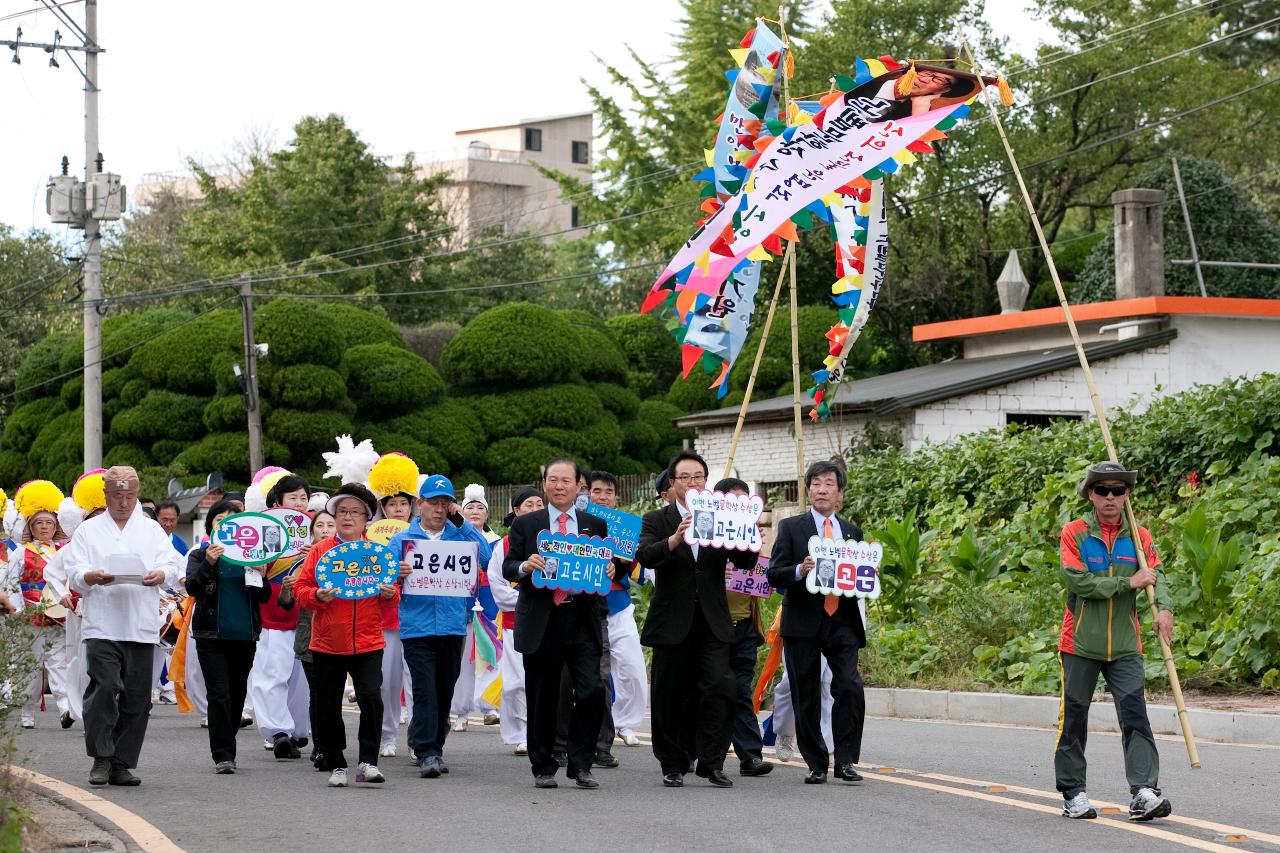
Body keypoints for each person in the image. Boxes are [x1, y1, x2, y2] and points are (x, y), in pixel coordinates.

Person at [1055, 461, 1174, 821]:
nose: (1110, 497)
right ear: (1091, 494)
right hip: (1079, 643)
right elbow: (1078, 582)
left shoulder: (1140, 537)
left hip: (1125, 644)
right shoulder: (1074, 533)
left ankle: (1144, 792)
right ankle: (1073, 793)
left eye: (1118, 490)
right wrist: (1128, 583)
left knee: (1135, 715)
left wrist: (1164, 607)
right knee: (1074, 718)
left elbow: (1157, 574)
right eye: (1102, 490)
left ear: (1127, 496)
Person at [637, 451, 758, 789]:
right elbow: (645, 554)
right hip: (671, 621)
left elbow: (746, 562)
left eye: (699, 477)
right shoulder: (655, 519)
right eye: (685, 477)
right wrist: (675, 539)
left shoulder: (720, 515)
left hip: (712, 619)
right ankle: (673, 763)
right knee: (670, 694)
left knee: (723, 686)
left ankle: (712, 762)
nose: (693, 483)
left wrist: (745, 531)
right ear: (672, 484)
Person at [65, 466, 183, 787]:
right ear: (106, 495)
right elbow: (74, 568)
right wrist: (89, 576)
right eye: (117, 495)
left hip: (141, 625)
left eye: (129, 496)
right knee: (103, 688)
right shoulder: (89, 531)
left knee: (137, 697)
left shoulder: (151, 530)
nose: (123, 502)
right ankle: (101, 758)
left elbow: (171, 564)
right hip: (102, 623)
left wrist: (161, 575)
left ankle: (122, 762)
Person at [502, 459, 614, 790]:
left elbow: (609, 566)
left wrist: (610, 571)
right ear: (544, 483)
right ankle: (543, 765)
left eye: (566, 480)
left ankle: (581, 764)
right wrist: (525, 564)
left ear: (579, 486)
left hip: (582, 620)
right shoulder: (527, 524)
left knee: (592, 690)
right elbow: (508, 567)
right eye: (553, 480)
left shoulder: (594, 524)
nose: (559, 486)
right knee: (543, 696)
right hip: (542, 619)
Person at [766, 460, 866, 785]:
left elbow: (857, 577)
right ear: (808, 490)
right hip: (803, 620)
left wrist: (867, 576)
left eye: (829, 484)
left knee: (849, 686)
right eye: (816, 484)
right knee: (805, 693)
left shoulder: (852, 532)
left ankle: (847, 760)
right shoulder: (791, 528)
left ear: (840, 493)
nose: (822, 489)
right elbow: (774, 573)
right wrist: (800, 569)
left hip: (842, 621)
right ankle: (817, 762)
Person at [294, 483, 399, 788]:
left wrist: (390, 593)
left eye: (355, 512)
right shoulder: (319, 551)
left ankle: (368, 761)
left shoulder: (378, 553)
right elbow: (301, 591)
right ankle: (336, 762)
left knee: (371, 699)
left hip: (368, 639)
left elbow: (391, 598)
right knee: (327, 705)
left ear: (367, 518)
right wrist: (317, 596)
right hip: (327, 640)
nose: (347, 517)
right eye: (342, 512)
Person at [389, 476, 493, 779]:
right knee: (424, 689)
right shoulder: (402, 539)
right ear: (419, 504)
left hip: (452, 624)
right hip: (416, 626)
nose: (438, 509)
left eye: (444, 503)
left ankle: (431, 740)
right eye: (432, 502)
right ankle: (428, 751)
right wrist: (397, 572)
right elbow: (386, 579)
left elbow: (485, 558)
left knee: (444, 688)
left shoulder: (461, 535)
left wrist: (463, 522)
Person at [186, 500, 272, 773]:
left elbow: (264, 596)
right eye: (219, 518)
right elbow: (192, 587)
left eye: (232, 519)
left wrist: (262, 575)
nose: (225, 523)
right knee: (219, 694)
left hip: (245, 634)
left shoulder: (252, 556)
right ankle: (223, 754)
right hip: (211, 635)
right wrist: (209, 563)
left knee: (236, 694)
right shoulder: (200, 555)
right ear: (211, 524)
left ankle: (227, 739)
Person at [251, 474, 313, 761]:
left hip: (308, 616)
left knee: (301, 680)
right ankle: (277, 732)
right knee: (272, 673)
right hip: (272, 615)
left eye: (303, 498)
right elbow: (252, 574)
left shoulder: (316, 533)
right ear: (277, 503)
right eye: (293, 498)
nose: (299, 504)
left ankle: (299, 730)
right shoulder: (263, 533)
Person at [716, 477, 773, 777]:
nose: (739, 508)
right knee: (713, 689)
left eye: (744, 502)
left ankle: (750, 755)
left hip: (745, 626)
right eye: (732, 502)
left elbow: (760, 573)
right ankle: (699, 752)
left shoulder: (751, 537)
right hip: (712, 628)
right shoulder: (704, 536)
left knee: (740, 688)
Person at [588, 470, 647, 752]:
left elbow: (638, 570)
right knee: (597, 674)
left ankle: (626, 722)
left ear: (615, 497)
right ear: (587, 493)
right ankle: (602, 728)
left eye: (608, 492)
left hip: (619, 605)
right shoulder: (577, 524)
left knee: (633, 669)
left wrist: (625, 562)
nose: (602, 497)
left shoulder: (625, 527)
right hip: (587, 606)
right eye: (597, 491)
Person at [4, 480, 69, 729]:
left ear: (56, 526)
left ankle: (65, 709)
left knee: (58, 663)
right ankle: (27, 712)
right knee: (31, 667)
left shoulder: (63, 551)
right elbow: (11, 584)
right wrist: (18, 610)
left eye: (49, 522)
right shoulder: (21, 552)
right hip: (30, 615)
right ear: (31, 526)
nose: (45, 526)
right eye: (39, 522)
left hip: (57, 614)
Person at [367, 451, 418, 758]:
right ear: (382, 508)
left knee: (416, 683)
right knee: (386, 682)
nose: (398, 509)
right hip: (385, 618)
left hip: (418, 616)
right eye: (392, 504)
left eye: (403, 504)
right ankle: (387, 736)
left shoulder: (423, 535)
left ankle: (418, 739)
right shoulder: (371, 538)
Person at [487, 486, 544, 755]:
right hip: (515, 622)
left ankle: (544, 733)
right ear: (516, 511)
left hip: (549, 621)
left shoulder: (556, 538)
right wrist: (529, 601)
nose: (534, 510)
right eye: (528, 505)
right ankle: (519, 733)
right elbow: (498, 588)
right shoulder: (505, 545)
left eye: (538, 504)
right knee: (515, 683)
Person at [450, 484, 502, 731]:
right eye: (469, 507)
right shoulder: (454, 538)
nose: (474, 511)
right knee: (463, 661)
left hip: (489, 604)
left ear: (487, 514)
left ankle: (489, 706)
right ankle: (461, 712)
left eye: (480, 507)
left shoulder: (497, 542)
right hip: (463, 604)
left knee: (489, 657)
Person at [295, 508, 336, 769]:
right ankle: (321, 746)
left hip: (341, 634)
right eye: (319, 525)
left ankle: (332, 744)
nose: (324, 529)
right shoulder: (303, 560)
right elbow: (291, 599)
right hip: (310, 633)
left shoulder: (349, 556)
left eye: (329, 525)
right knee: (317, 693)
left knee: (331, 693)